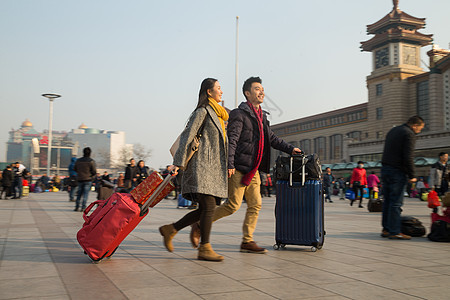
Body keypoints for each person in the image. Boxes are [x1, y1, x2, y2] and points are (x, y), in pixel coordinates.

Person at [191, 76, 301, 254]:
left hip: (254, 169)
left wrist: (290, 149)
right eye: (257, 89)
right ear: (247, 93)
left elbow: (271, 139)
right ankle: (199, 225)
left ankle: (247, 240)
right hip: (239, 168)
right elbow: (232, 140)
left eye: (262, 89)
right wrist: (230, 163)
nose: (261, 91)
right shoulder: (239, 114)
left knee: (256, 204)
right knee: (232, 206)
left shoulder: (262, 116)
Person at [159, 77, 229, 261]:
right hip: (201, 167)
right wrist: (178, 163)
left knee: (208, 208)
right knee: (208, 207)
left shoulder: (220, 115)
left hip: (213, 169)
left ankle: (171, 229)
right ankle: (205, 248)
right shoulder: (203, 111)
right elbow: (188, 137)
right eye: (219, 88)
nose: (221, 91)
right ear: (209, 91)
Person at [381, 116, 425, 240]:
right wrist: (412, 175)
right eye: (420, 128)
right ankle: (394, 231)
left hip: (386, 169)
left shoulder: (393, 130)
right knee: (396, 203)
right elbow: (408, 156)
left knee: (387, 201)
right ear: (415, 125)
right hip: (397, 171)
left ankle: (386, 229)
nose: (419, 131)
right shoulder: (409, 133)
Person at [74, 147, 97, 212]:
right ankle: (83, 207)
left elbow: (75, 169)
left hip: (80, 179)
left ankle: (77, 206)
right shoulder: (91, 161)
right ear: (90, 153)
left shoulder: (78, 160)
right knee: (85, 194)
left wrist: (80, 173)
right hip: (88, 179)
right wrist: (91, 175)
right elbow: (94, 171)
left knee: (79, 194)